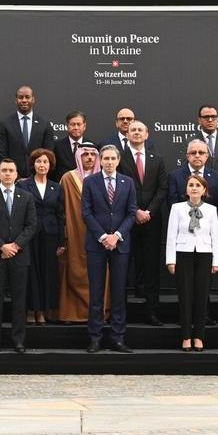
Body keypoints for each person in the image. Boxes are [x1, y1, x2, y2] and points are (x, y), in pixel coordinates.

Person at [0, 158, 38, 353]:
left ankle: (18, 340)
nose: (7, 174)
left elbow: (31, 225)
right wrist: (2, 246)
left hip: (20, 257)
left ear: (16, 174)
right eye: (4, 170)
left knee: (19, 301)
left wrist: (15, 246)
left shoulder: (26, 197)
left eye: (11, 170)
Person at [81, 145, 137, 353]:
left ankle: (117, 337)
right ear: (100, 161)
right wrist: (104, 236)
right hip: (97, 244)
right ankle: (95, 337)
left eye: (113, 158)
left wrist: (117, 236)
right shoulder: (90, 182)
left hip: (120, 244)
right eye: (105, 158)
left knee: (119, 292)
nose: (109, 162)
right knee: (96, 293)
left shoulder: (128, 182)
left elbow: (131, 213)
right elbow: (86, 213)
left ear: (118, 160)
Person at [119, 120, 169, 326]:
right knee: (122, 268)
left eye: (140, 130)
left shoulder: (157, 159)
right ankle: (120, 312)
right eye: (133, 130)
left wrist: (148, 212)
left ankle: (152, 312)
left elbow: (162, 189)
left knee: (151, 268)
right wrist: (135, 211)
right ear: (127, 134)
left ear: (147, 134)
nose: (136, 132)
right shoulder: (119, 158)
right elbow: (118, 188)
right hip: (125, 221)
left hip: (151, 221)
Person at [165, 174, 218, 351]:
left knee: (200, 296)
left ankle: (199, 336)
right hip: (183, 253)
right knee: (185, 296)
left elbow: (216, 236)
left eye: (198, 185)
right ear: (186, 189)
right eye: (191, 185)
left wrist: (217, 260)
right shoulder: (177, 208)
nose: (194, 188)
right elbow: (171, 235)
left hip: (204, 254)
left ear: (204, 190)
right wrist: (170, 260)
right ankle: (185, 337)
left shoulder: (211, 210)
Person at [18, 148, 64, 325]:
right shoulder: (23, 185)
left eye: (45, 161)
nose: (42, 165)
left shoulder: (56, 187)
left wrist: (61, 242)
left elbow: (60, 215)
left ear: (50, 165)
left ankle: (43, 311)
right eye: (38, 161)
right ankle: (31, 310)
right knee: (31, 272)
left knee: (48, 273)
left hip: (51, 236)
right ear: (33, 164)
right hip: (30, 235)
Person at [58, 143, 101, 323]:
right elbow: (60, 208)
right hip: (73, 232)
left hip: (100, 233)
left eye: (93, 154)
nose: (89, 158)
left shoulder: (102, 178)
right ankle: (70, 313)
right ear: (79, 156)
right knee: (71, 269)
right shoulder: (68, 178)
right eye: (86, 154)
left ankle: (99, 312)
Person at [0, 86, 55, 178]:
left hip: (38, 178)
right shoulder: (5, 124)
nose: (24, 100)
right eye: (20, 97)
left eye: (27, 97)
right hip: (12, 179)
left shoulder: (44, 124)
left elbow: (48, 153)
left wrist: (37, 175)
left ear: (33, 99)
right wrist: (14, 175)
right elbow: (1, 154)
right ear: (16, 100)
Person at [52, 111, 88, 182]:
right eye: (73, 124)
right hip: (63, 187)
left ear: (84, 126)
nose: (76, 127)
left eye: (79, 124)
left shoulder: (92, 147)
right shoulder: (57, 146)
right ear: (67, 126)